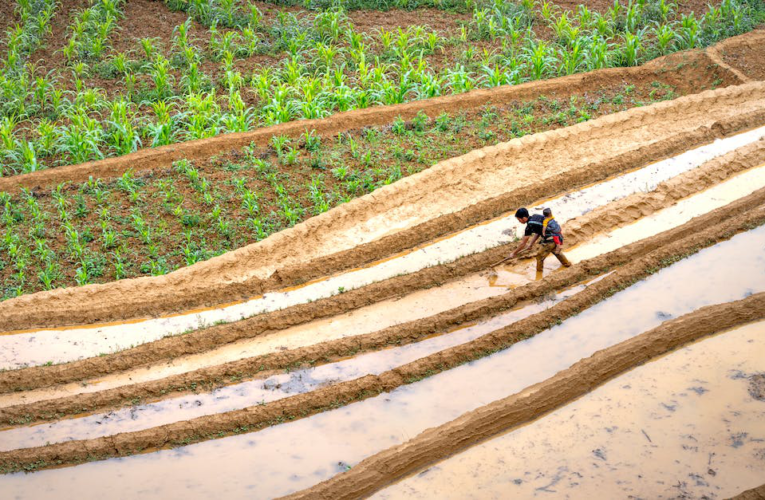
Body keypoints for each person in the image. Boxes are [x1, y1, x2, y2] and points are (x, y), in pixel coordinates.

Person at [507, 207, 572, 272]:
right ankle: (568, 265)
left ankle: (539, 275)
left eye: (519, 220)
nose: (519, 221)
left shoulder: (530, 225)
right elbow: (538, 233)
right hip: (557, 236)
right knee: (555, 251)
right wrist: (531, 244)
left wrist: (514, 253)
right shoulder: (535, 216)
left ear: (523, 218)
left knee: (539, 257)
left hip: (550, 239)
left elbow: (523, 243)